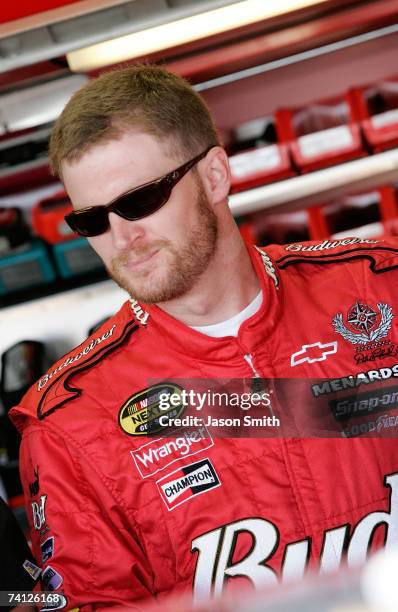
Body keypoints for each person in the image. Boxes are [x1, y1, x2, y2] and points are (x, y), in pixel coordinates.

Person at [9, 65, 398, 611]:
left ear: (215, 176)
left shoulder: (381, 288)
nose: (123, 238)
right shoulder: (71, 422)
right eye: (92, 220)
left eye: (140, 201)